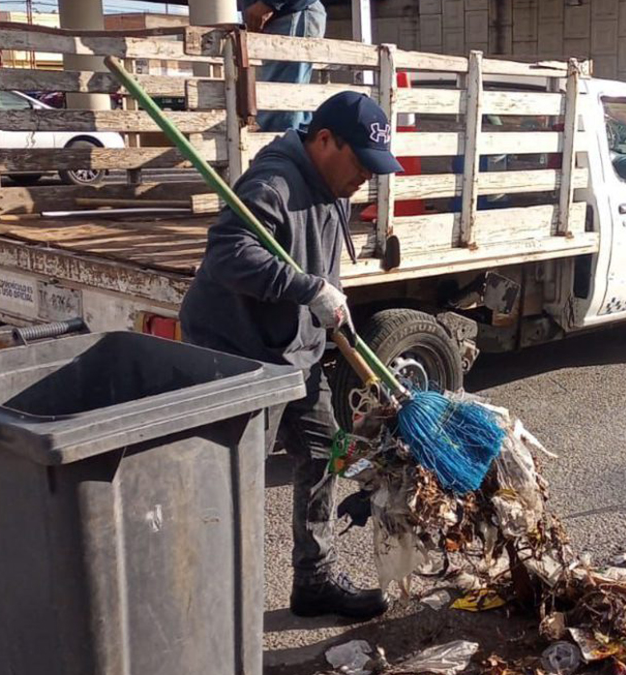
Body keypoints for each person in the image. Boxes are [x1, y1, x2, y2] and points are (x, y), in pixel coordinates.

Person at [180, 92, 403, 619]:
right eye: (361, 165)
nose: (365, 179)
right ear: (325, 141)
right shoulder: (274, 182)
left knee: (326, 452)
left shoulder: (333, 183)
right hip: (238, 353)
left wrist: (329, 306)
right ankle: (206, 604)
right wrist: (308, 289)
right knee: (232, 480)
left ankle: (314, 580)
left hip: (293, 351)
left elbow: (322, 259)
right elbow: (228, 254)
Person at [242, 0, 327, 133]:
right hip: (284, 14)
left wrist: (269, 3)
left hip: (289, 13)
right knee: (292, 110)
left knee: (281, 113)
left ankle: (283, 150)